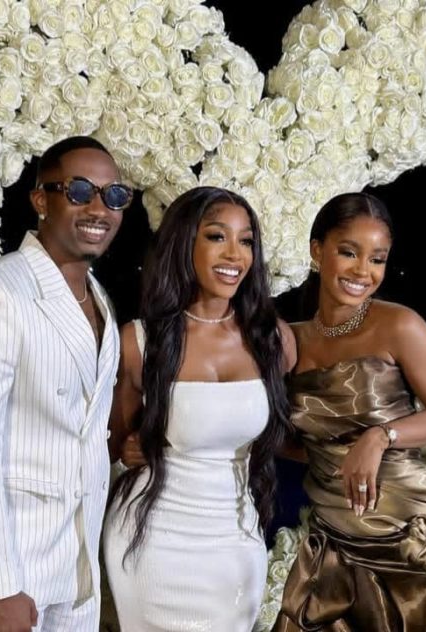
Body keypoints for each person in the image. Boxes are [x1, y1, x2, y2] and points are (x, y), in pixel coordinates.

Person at [0, 136, 134, 632]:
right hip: (11, 562)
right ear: (40, 200)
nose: (99, 208)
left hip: (76, 563)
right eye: (80, 191)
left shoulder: (98, 297)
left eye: (114, 195)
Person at [273, 192, 426, 631]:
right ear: (317, 251)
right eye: (349, 252)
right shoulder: (289, 340)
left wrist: (379, 437)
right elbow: (283, 438)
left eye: (377, 259)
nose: (363, 271)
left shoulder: (398, 324)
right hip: (334, 541)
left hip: (415, 540)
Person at [104, 186, 296, 631]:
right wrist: (130, 448)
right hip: (152, 540)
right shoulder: (139, 342)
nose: (234, 254)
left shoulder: (273, 340)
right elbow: (111, 445)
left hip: (235, 538)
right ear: (183, 243)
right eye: (216, 236)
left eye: (245, 241)